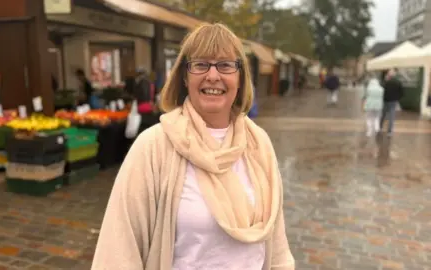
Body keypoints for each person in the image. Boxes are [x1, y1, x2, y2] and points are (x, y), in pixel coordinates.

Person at [91, 23, 295, 270]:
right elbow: (118, 250)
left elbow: (277, 241)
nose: (213, 75)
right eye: (200, 64)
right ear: (184, 77)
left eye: (225, 65)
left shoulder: (258, 143)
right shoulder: (154, 147)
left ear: (240, 78)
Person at [380, 69, 403, 136]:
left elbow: (382, 91)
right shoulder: (398, 82)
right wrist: (397, 98)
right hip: (393, 101)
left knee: (383, 115)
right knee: (391, 116)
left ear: (389, 75)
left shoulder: (386, 82)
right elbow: (402, 93)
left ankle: (380, 127)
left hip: (385, 100)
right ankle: (389, 131)